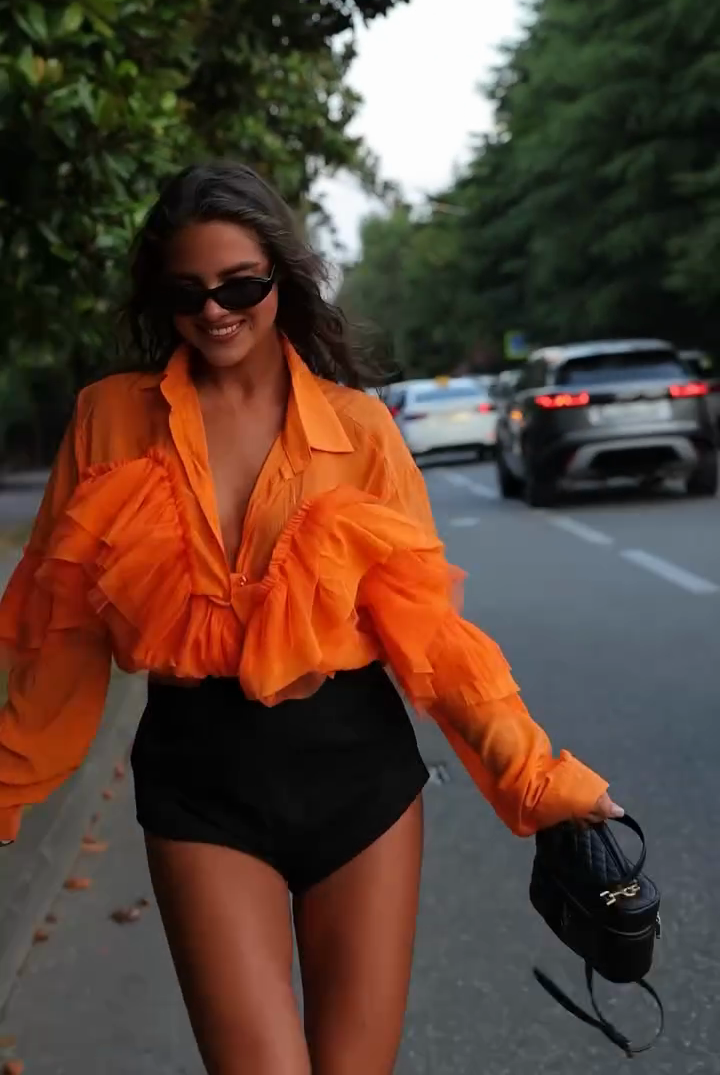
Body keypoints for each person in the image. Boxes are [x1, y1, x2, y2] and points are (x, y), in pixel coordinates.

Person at [0, 164, 621, 1075]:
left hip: (357, 777)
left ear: (283, 279)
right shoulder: (109, 421)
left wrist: (537, 778)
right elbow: (58, 634)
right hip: (199, 781)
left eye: (239, 285)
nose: (214, 311)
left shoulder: (360, 430)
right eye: (186, 293)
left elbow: (433, 639)